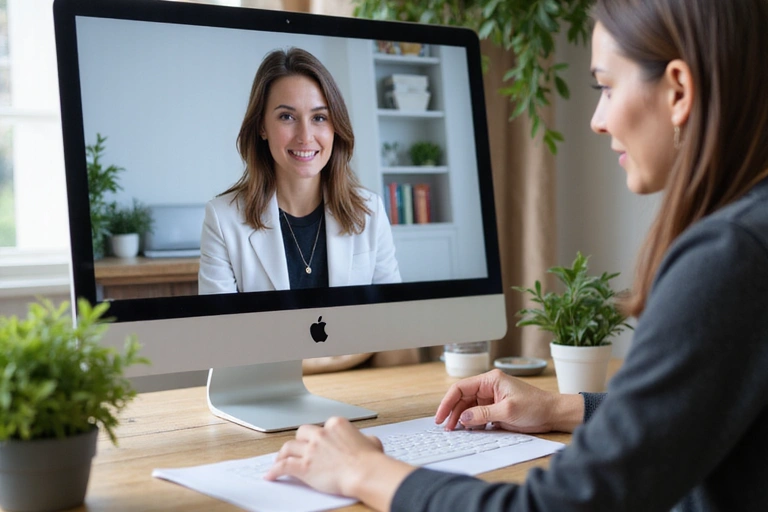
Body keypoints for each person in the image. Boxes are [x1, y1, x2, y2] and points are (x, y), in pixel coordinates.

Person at [263, 0, 768, 510]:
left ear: (679, 91)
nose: (597, 119)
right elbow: (692, 410)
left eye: (606, 87)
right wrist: (563, 408)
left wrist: (364, 471)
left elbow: (557, 506)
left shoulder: (731, 258)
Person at [198, 47, 400, 295]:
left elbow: (390, 320)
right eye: (287, 117)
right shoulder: (222, 220)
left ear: (335, 126)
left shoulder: (372, 212)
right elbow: (220, 330)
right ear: (262, 126)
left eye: (319, 118)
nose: (305, 137)